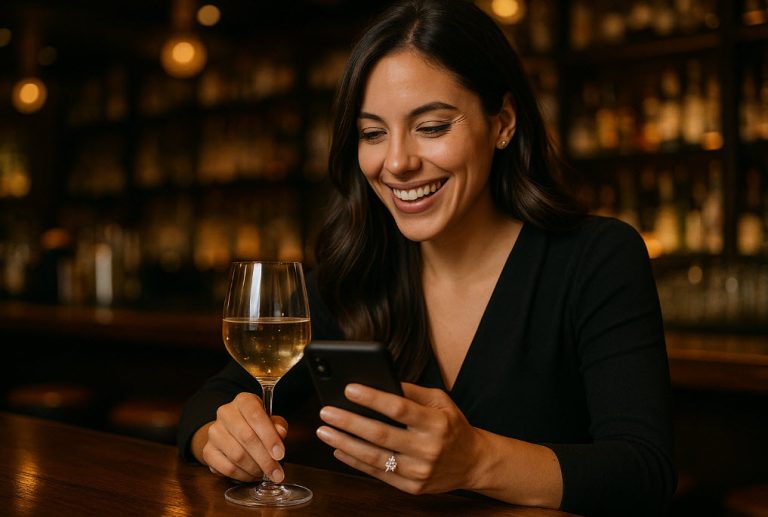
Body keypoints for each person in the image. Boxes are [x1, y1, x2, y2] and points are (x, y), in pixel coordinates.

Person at [177, 0, 677, 514]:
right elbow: (209, 403)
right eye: (372, 134)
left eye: (432, 127)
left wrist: (478, 460)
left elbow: (644, 472)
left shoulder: (597, 257)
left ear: (502, 122)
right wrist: (221, 435)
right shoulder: (357, 269)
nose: (397, 163)